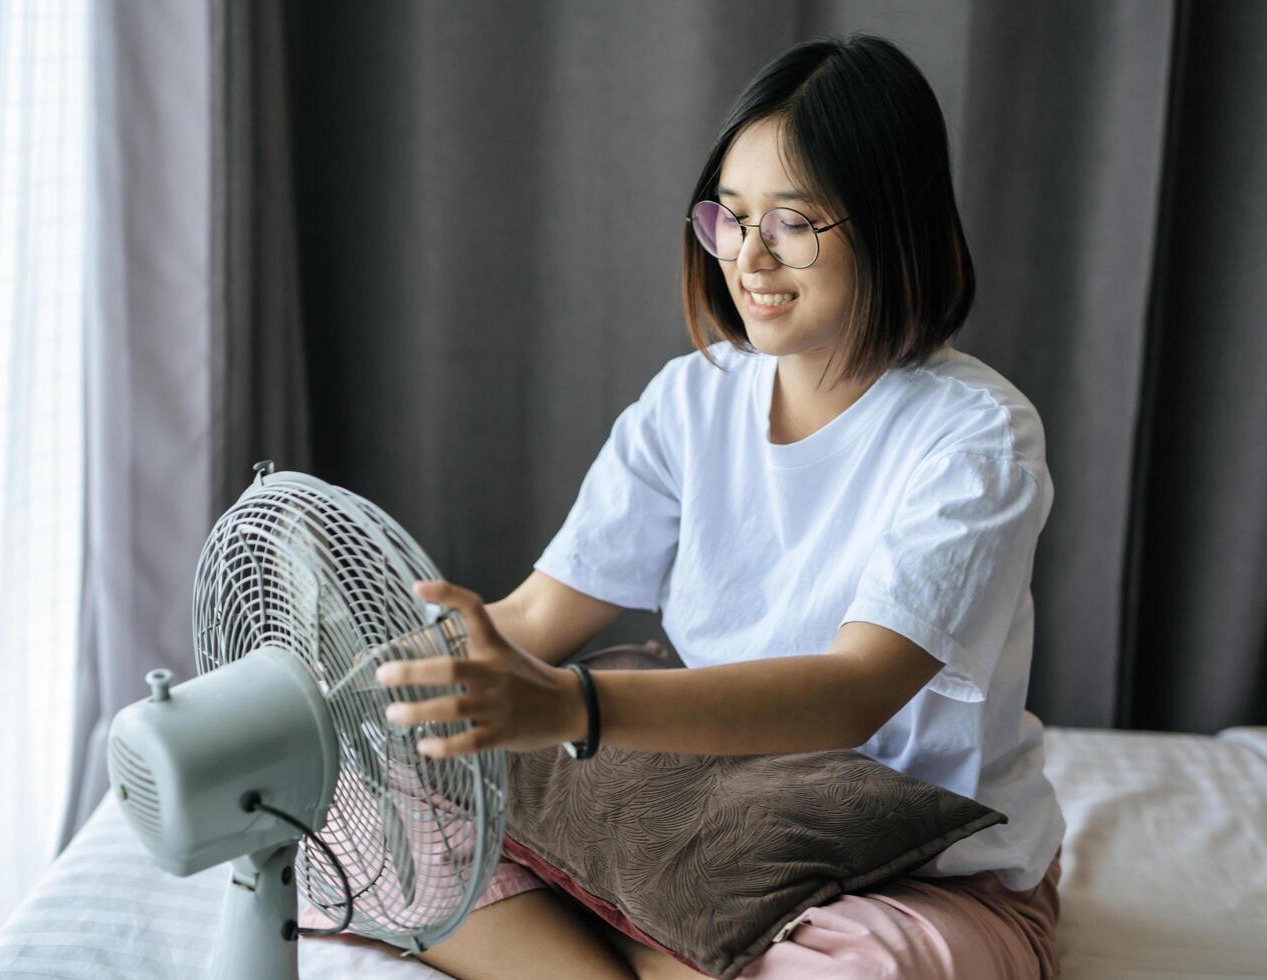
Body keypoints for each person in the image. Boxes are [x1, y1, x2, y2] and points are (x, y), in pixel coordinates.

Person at [308, 32, 1066, 980]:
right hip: (711, 834)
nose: (748, 258)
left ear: (890, 220)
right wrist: (365, 691)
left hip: (915, 873)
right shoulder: (691, 399)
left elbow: (852, 689)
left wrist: (572, 707)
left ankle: (637, 944)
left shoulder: (980, 435)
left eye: (792, 221)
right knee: (340, 816)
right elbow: (538, 618)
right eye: (731, 218)